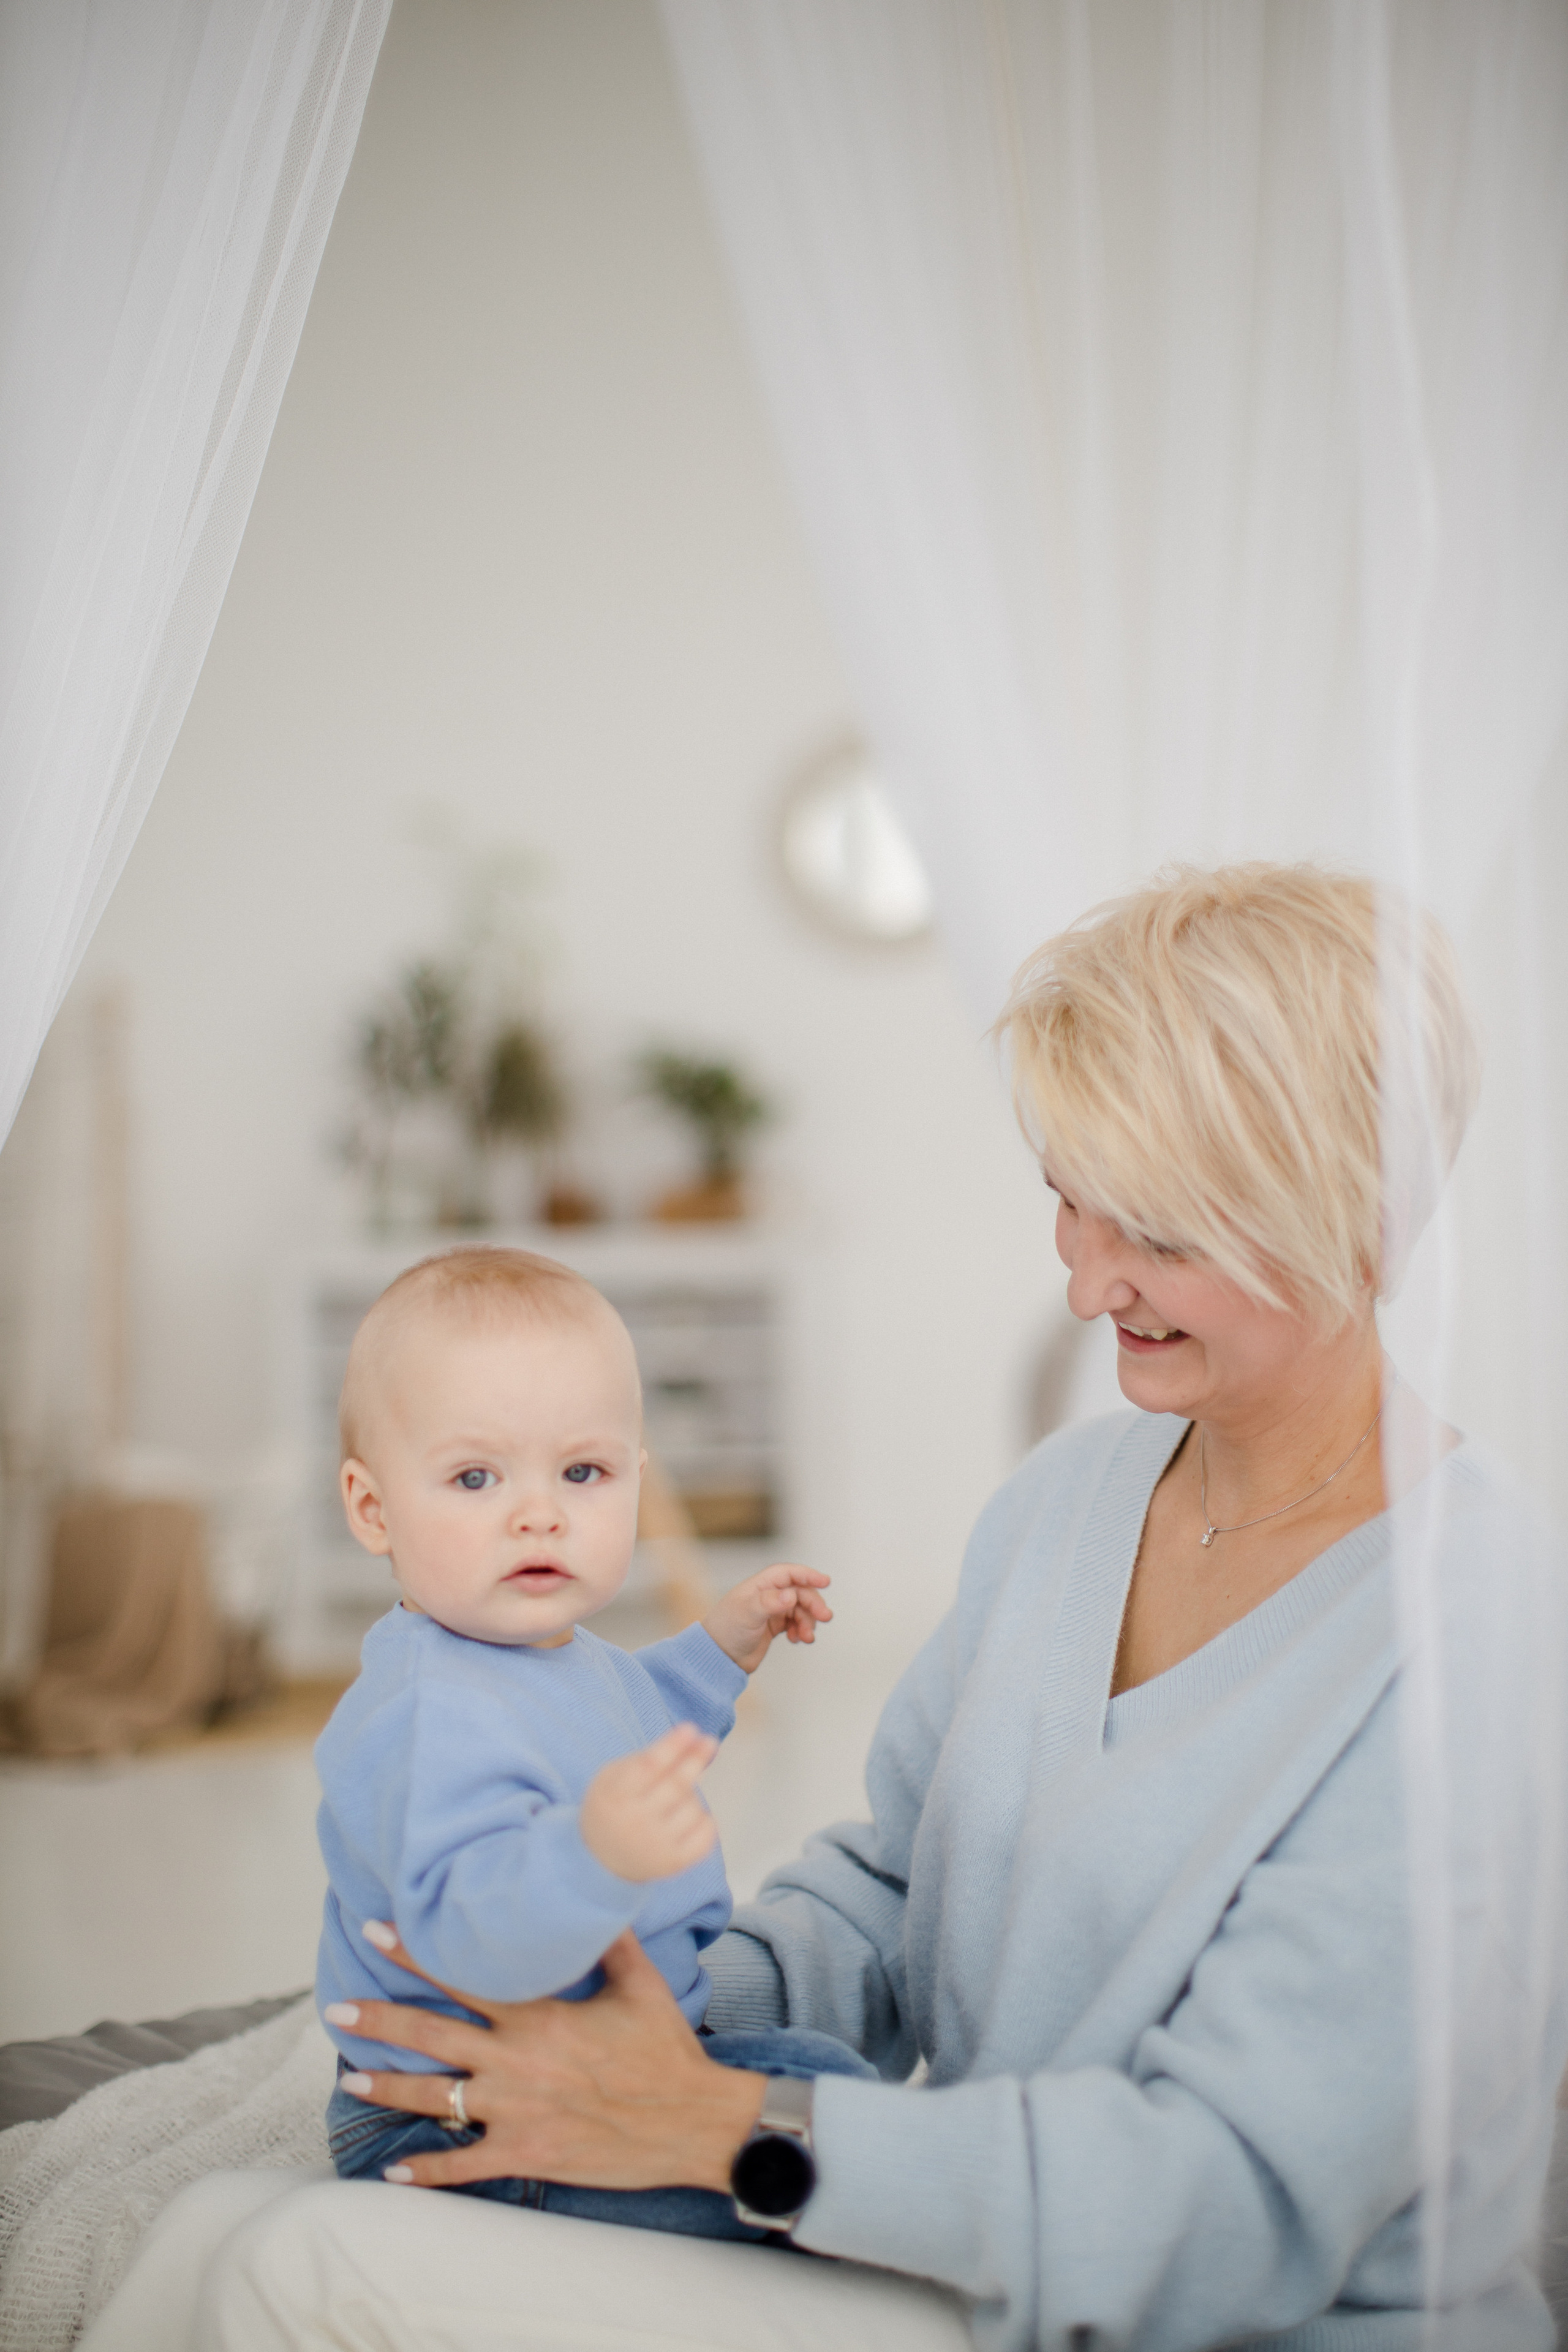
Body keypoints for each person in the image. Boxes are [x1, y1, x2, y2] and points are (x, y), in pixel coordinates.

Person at [205, 867, 1566, 2351]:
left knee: (302, 2269)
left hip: (1200, 2324)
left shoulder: (1473, 1641)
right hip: (970, 2259)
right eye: (1067, 1197)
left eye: (1159, 1236)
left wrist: (727, 2126)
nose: (1086, 1284)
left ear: (1358, 1224)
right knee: (234, 2228)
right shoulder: (1072, 1499)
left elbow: (1226, 2201)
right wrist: (632, 2018)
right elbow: (897, 1888)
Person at [315, 1246, 873, 2239]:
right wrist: (592, 1854)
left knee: (836, 2096)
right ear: (372, 1507)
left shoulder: (553, 1653)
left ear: (637, 1478)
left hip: (621, 2050)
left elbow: (628, 1718)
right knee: (821, 2184)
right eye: (475, 1475)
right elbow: (466, 1930)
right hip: (461, 2114)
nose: (541, 1511)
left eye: (584, 1470)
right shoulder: (425, 1709)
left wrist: (717, 1654)